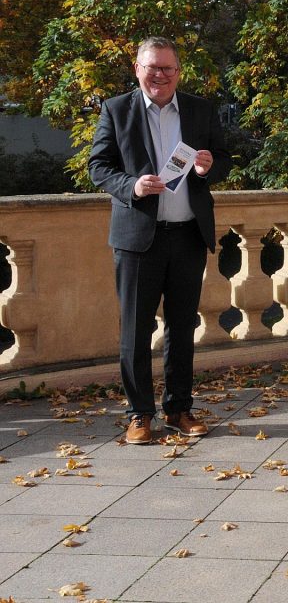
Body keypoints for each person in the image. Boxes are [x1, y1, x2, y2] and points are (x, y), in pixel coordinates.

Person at [89, 36, 232, 445]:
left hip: (188, 235)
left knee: (182, 327)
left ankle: (178, 409)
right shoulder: (117, 110)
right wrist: (132, 185)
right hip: (138, 239)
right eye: (153, 67)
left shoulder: (200, 109)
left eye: (168, 68)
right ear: (138, 69)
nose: (160, 75)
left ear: (178, 71)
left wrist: (207, 167)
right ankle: (139, 414)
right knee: (135, 330)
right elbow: (98, 166)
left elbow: (222, 159)